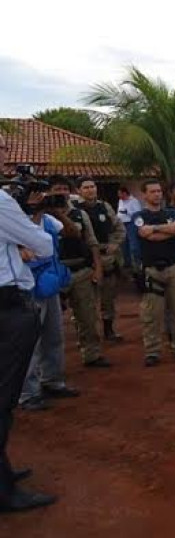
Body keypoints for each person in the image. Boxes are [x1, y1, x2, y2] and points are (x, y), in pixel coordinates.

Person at [0, 139, 58, 511]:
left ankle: (3, 471)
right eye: (1, 149)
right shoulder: (1, 202)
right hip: (7, 306)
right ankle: (3, 491)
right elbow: (43, 245)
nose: (6, 154)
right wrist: (25, 218)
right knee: (3, 399)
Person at [18, 206, 79, 412]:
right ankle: (28, 393)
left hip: (50, 282)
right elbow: (28, 242)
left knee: (54, 335)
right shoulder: (16, 218)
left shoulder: (50, 220)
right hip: (28, 285)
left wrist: (55, 211)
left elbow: (72, 233)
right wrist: (34, 214)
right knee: (30, 341)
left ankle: (53, 380)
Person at [47, 176, 110, 368]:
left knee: (88, 317)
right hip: (54, 273)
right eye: (57, 189)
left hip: (81, 270)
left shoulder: (80, 214)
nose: (61, 193)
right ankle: (50, 366)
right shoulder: (44, 216)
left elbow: (92, 242)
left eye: (64, 189)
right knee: (51, 322)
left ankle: (92, 354)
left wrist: (97, 268)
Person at [134, 179, 175, 367]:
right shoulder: (139, 216)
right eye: (152, 191)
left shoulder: (171, 212)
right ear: (144, 194)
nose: (157, 194)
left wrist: (155, 228)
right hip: (152, 269)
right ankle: (152, 351)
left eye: (159, 191)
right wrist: (170, 231)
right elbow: (146, 236)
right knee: (152, 314)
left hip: (174, 266)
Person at [76, 177, 126, 342]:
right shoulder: (74, 209)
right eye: (86, 187)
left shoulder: (104, 207)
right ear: (78, 191)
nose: (90, 190)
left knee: (108, 297)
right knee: (84, 301)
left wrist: (115, 244)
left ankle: (108, 330)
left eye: (92, 186)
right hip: (85, 259)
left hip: (106, 258)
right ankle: (85, 335)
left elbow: (119, 228)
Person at [117, 186, 142, 268]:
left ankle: (138, 263)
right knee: (124, 245)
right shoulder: (120, 201)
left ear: (124, 193)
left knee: (133, 245)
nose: (119, 195)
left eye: (120, 194)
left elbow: (138, 213)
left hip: (131, 224)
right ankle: (127, 263)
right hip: (122, 224)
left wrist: (127, 212)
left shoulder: (133, 201)